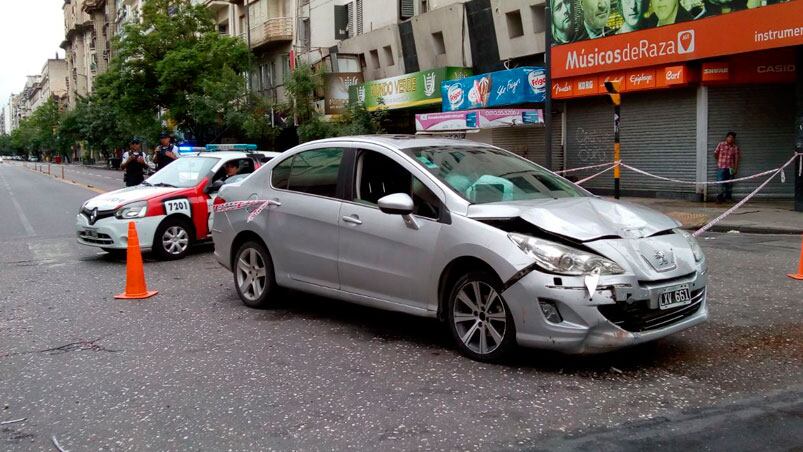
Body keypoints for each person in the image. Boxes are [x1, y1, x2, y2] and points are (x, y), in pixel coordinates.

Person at [714, 131, 740, 203]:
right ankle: (720, 198)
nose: (731, 139)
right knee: (720, 183)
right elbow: (715, 153)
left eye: (732, 138)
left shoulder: (735, 147)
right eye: (729, 137)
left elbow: (737, 158)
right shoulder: (721, 144)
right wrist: (719, 161)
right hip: (721, 167)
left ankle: (728, 197)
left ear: (734, 139)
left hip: (730, 168)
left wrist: (735, 168)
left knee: (729, 184)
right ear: (726, 137)